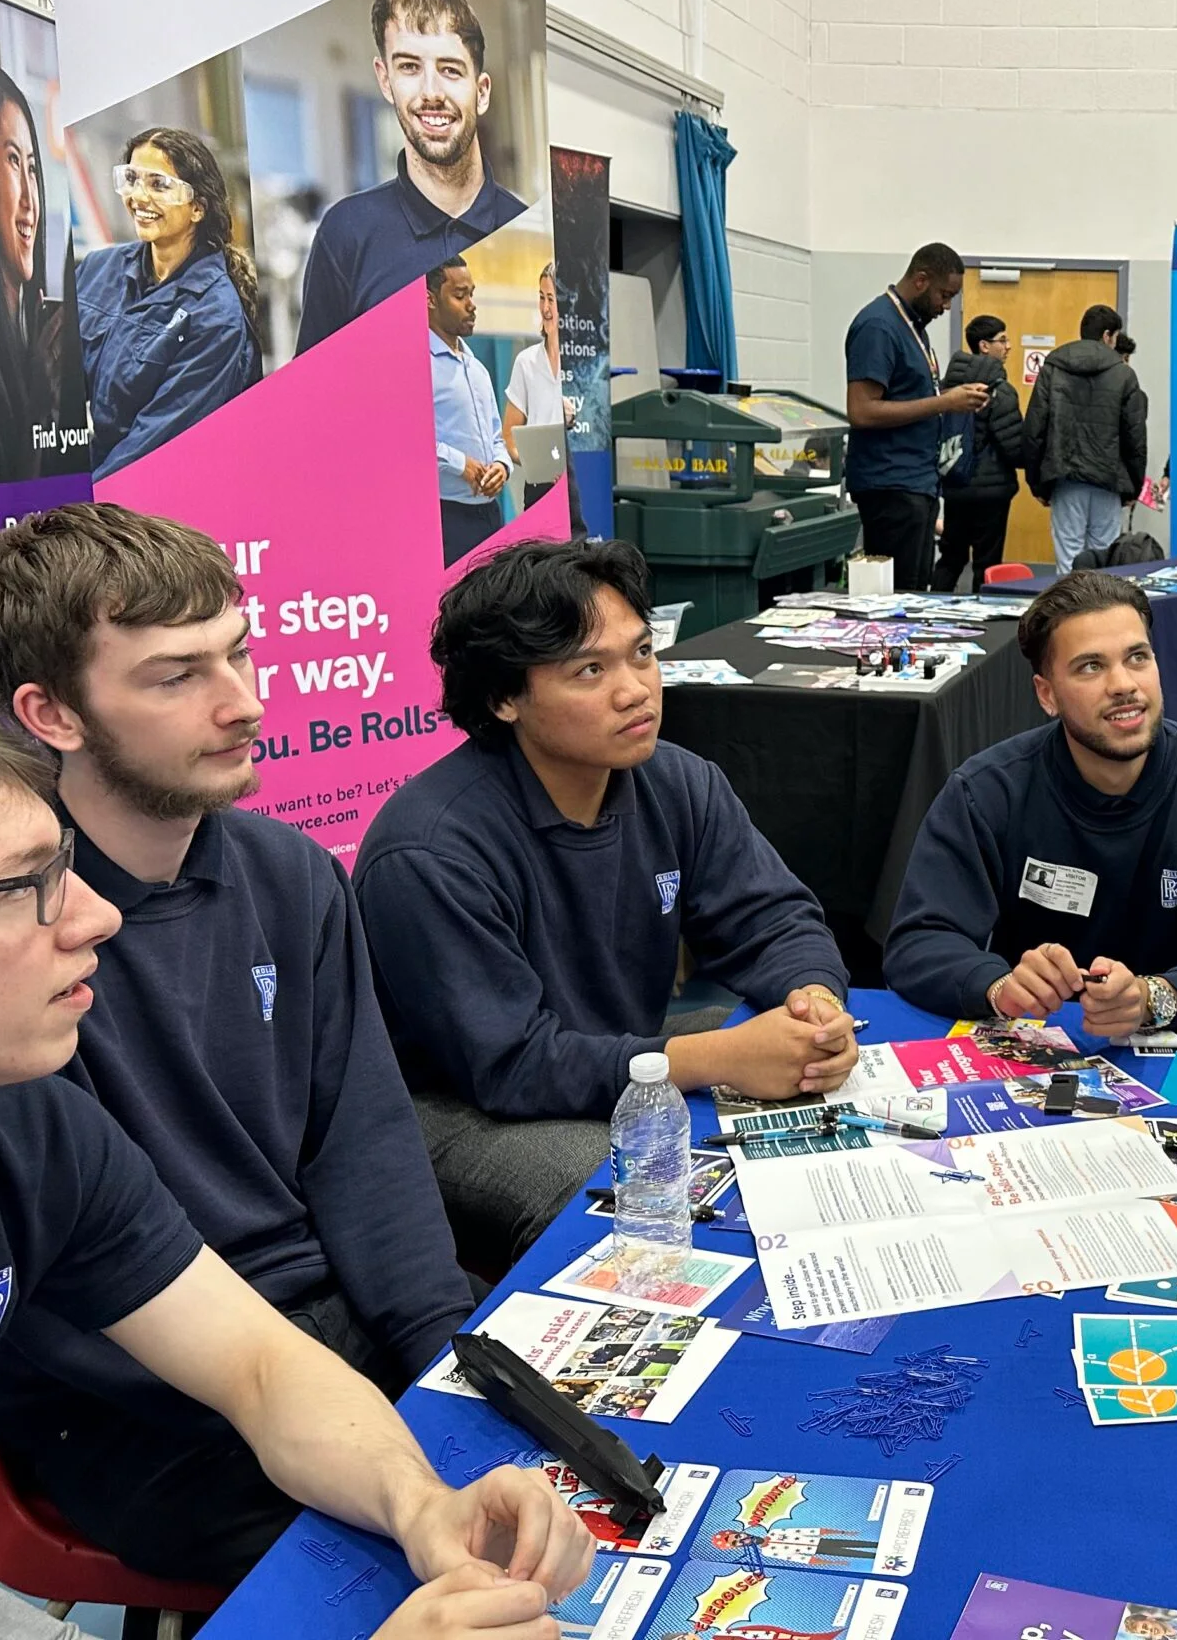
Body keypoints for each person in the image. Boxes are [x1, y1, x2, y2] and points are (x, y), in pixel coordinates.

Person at [0, 690, 592, 1640]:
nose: (97, 915)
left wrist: (417, 1503)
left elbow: (259, 1364)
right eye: (23, 887)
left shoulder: (22, 1125)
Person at [0, 503, 473, 1584]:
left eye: (239, 653)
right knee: (416, 1582)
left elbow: (362, 1142)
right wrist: (306, 1398)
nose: (244, 704)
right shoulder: (2, 944)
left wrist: (446, 1365)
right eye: (176, 675)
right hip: (129, 1399)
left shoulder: (291, 876)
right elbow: (53, 1297)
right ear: (52, 713)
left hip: (312, 1336)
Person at [355, 540, 858, 1273]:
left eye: (643, 653)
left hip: (613, 1049)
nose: (636, 690)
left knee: (803, 1060)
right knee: (649, 1194)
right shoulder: (430, 850)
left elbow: (774, 918)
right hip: (458, 1108)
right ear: (505, 698)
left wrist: (813, 1001)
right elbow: (512, 1066)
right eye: (591, 669)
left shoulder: (679, 781)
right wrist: (715, 1058)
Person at [886, 571, 1177, 1037]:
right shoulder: (985, 792)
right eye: (1091, 666)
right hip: (1034, 1054)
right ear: (1047, 695)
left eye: (1137, 658)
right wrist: (997, 985)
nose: (1123, 684)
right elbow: (918, 942)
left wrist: (1154, 997)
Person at [296, 0, 529, 354]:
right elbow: (314, 400)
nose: (431, 93)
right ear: (385, 80)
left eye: (450, 70)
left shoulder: (527, 232)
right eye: (409, 67)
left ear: (481, 91)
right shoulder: (346, 236)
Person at [79, 127, 265, 479]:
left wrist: (72, 508)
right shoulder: (97, 271)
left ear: (197, 208)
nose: (138, 196)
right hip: (92, 482)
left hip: (151, 506)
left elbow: (150, 449)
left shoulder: (215, 317)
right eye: (132, 179)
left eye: (158, 185)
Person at [0, 64, 83, 485]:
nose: (30, 198)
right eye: (12, 160)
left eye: (32, 167)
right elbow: (5, 518)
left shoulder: (29, 332)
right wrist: (38, 407)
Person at [843, 244, 988, 591]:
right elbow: (861, 410)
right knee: (902, 596)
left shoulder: (912, 325)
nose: (947, 305)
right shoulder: (879, 326)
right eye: (944, 295)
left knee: (917, 590)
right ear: (921, 280)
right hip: (890, 485)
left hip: (915, 482)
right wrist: (944, 403)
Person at [1025, 305, 1149, 572]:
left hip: (1065, 478)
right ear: (1107, 336)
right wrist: (1133, 487)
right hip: (1108, 480)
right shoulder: (1124, 374)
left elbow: (1035, 429)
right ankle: (1099, 613)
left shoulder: (1052, 369)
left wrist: (1037, 483)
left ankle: (1067, 613)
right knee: (1105, 560)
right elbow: (1135, 438)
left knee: (1068, 559)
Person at [934, 314, 1030, 590]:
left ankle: (931, 610)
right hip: (992, 490)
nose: (1009, 346)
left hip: (955, 483)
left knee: (951, 556)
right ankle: (983, 621)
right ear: (984, 346)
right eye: (1003, 340)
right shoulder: (1000, 389)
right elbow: (1012, 445)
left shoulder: (948, 387)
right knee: (987, 562)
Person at [429, 256, 513, 566]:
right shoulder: (416, 366)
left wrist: (502, 467)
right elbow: (405, 441)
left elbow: (496, 437)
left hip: (490, 514)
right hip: (446, 519)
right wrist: (460, 464)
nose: (471, 305)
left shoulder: (476, 368)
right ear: (430, 300)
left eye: (472, 294)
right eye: (460, 296)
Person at [503, 262, 577, 506]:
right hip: (540, 487)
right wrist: (537, 463)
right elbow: (509, 436)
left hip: (576, 479)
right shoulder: (526, 362)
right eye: (542, 297)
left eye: (552, 300)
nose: (545, 308)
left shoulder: (582, 359)